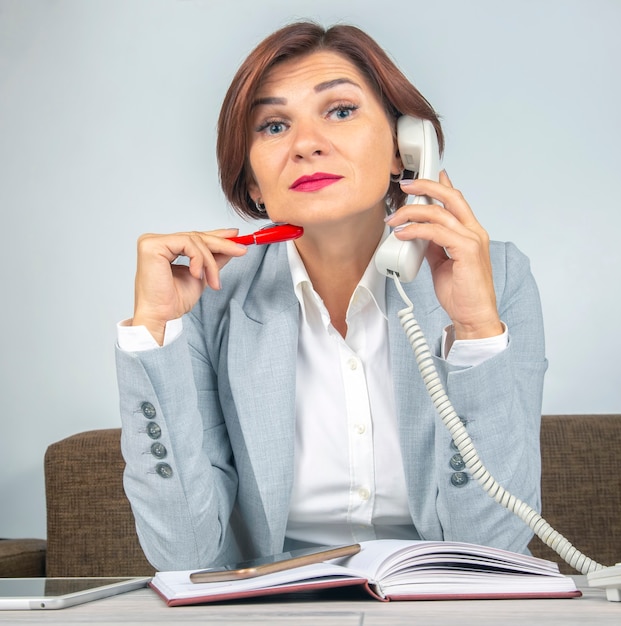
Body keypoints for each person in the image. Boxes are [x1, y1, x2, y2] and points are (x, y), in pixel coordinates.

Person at [116, 21, 547, 572]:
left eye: (340, 111)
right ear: (252, 182)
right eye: (273, 126)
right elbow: (184, 555)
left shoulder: (497, 275)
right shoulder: (209, 300)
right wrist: (154, 329)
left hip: (436, 601)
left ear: (405, 148)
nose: (306, 144)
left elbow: (493, 549)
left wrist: (475, 331)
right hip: (273, 608)